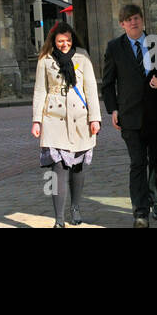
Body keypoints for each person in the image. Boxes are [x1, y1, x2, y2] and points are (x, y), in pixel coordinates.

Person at [101, 5, 157, 228]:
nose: (133, 23)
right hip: (130, 116)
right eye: (128, 20)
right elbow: (108, 84)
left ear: (142, 20)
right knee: (138, 163)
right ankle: (140, 211)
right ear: (122, 24)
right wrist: (114, 109)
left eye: (136, 18)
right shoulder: (114, 48)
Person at [31, 21, 101, 228]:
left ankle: (76, 208)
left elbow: (90, 89)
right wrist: (36, 120)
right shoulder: (45, 60)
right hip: (53, 119)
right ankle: (59, 219)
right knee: (57, 169)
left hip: (80, 118)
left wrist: (95, 118)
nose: (65, 44)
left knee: (78, 168)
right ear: (53, 40)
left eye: (68, 40)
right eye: (61, 41)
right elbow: (39, 90)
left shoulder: (83, 57)